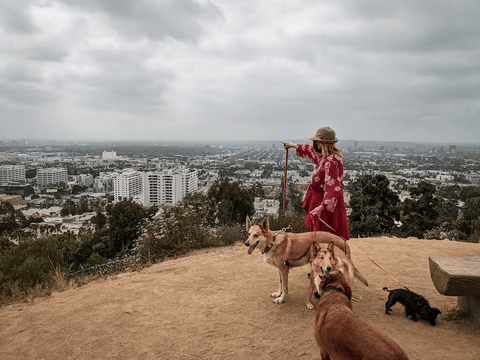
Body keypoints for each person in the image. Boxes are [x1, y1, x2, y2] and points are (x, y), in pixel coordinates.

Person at [282, 126, 350, 240]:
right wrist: (292, 145)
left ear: (322, 144)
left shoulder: (330, 161)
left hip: (325, 203)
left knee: (323, 234)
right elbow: (309, 150)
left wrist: (321, 207)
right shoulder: (326, 156)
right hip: (320, 200)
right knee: (319, 233)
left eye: (316, 142)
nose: (314, 145)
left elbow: (333, 187)